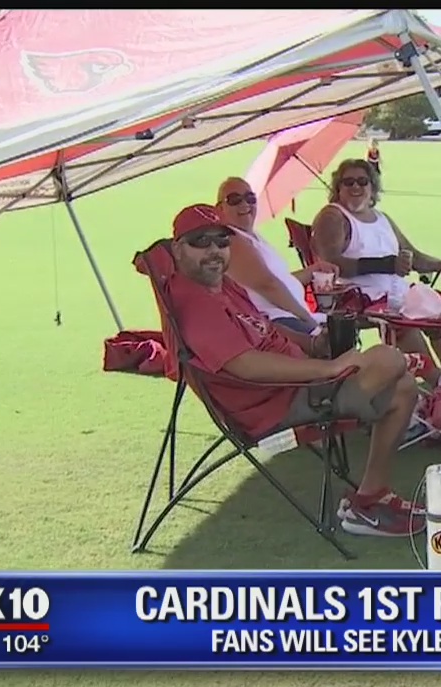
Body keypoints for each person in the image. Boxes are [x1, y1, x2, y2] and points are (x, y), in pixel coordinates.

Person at [166, 203, 425, 537]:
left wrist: (312, 344)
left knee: (403, 387)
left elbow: (262, 325)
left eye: (221, 241)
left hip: (296, 382)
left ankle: (369, 498)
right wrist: (327, 368)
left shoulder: (222, 285)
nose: (214, 250)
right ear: (178, 249)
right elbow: (245, 365)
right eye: (200, 242)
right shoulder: (194, 301)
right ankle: (369, 416)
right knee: (389, 359)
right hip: (274, 404)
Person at [310, 158, 441, 397]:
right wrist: (387, 264)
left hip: (394, 291)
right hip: (356, 296)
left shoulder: (382, 218)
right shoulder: (333, 217)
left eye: (362, 181)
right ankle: (439, 383)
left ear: (372, 188)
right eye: (348, 182)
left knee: (437, 305)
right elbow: (331, 263)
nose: (356, 187)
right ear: (338, 188)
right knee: (403, 317)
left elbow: (413, 256)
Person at [215, 177, 334, 335]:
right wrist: (308, 320)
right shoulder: (232, 241)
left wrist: (312, 271)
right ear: (220, 209)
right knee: (334, 342)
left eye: (250, 198)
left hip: (290, 315)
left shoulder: (251, 236)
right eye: (234, 200)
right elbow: (268, 286)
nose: (245, 205)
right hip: (275, 321)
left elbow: (279, 280)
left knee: (344, 329)